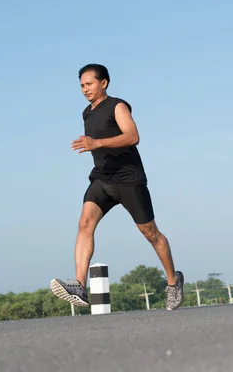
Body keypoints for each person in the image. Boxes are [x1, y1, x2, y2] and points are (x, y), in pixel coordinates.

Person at [50, 63, 184, 311]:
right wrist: (94, 146)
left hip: (129, 179)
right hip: (102, 177)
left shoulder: (117, 106)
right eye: (81, 85)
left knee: (151, 234)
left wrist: (96, 142)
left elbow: (133, 136)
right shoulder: (86, 113)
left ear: (104, 83)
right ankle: (79, 284)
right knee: (85, 222)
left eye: (89, 84)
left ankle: (174, 282)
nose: (85, 89)